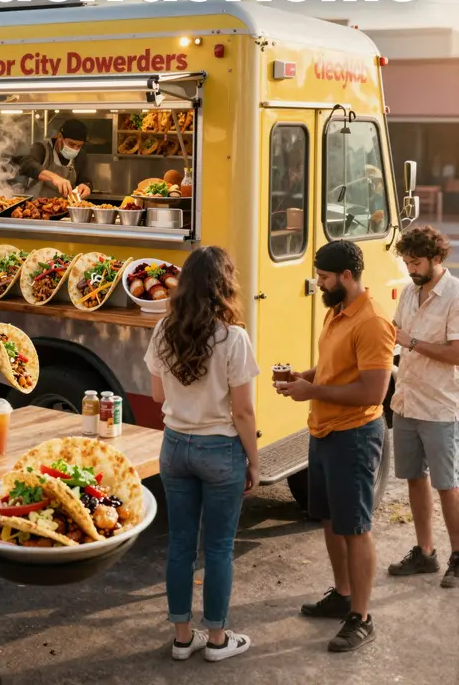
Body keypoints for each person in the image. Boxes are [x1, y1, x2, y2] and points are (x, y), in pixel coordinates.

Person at [276, 240, 395, 652]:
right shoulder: (336, 311)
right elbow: (333, 369)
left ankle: (362, 617)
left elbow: (373, 390)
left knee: (355, 528)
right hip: (324, 431)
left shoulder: (373, 322)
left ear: (346, 276)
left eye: (324, 277)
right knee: (328, 520)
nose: (319, 283)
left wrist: (313, 391)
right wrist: (303, 377)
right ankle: (342, 594)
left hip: (355, 437)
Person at [145, 246, 260, 663]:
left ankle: (181, 638)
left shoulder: (163, 330)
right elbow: (244, 411)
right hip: (219, 449)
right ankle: (216, 640)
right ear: (223, 286)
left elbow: (158, 394)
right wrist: (255, 460)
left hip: (175, 445)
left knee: (179, 544)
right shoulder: (233, 338)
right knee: (218, 548)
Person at [387, 225, 459, 589]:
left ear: (435, 258)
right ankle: (425, 552)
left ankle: (458, 557)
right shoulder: (410, 292)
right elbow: (394, 334)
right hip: (406, 400)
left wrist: (410, 341)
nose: (410, 269)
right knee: (414, 478)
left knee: (447, 484)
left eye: (415, 263)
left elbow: (457, 353)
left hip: (441, 405)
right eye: (406, 262)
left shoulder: (455, 294)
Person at [19, 118, 93, 199]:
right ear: (59, 137)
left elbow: (85, 179)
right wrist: (53, 177)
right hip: (35, 206)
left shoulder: (80, 155)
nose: (75, 149)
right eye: (71, 144)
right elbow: (26, 164)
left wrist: (86, 186)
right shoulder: (42, 148)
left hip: (63, 207)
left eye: (79, 146)